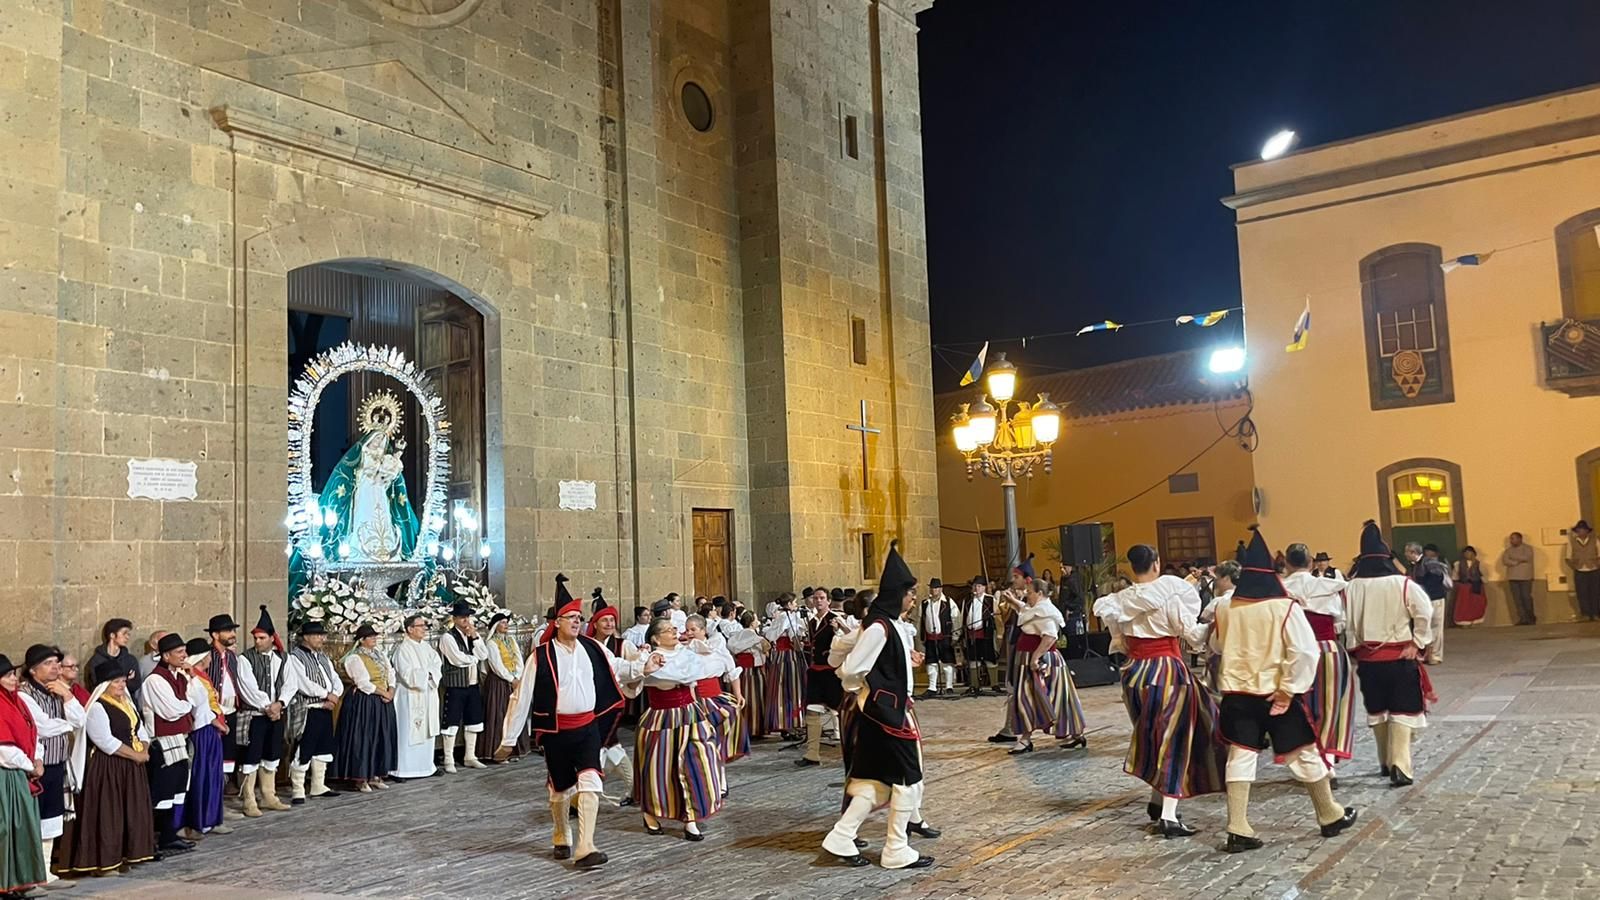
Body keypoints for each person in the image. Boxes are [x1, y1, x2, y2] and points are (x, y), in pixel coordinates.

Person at [1212, 528, 1357, 854]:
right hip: (1275, 694)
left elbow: (1217, 645)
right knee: (1302, 750)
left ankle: (1238, 826)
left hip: (1237, 694)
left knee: (1241, 755)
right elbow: (1306, 652)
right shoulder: (1284, 608)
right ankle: (1329, 813)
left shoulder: (1225, 608)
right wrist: (1290, 689)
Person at [498, 584, 657, 868]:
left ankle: (586, 846)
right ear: (556, 622)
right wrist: (509, 739)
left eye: (578, 617)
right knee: (561, 789)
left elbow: (618, 667)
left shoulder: (593, 648)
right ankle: (561, 833)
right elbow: (521, 696)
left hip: (587, 729)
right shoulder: (541, 655)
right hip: (556, 732)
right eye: (570, 617)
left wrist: (643, 666)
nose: (576, 621)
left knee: (591, 781)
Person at [1093, 544, 1226, 837]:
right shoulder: (1169, 592)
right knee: (1176, 738)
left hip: (1133, 674)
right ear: (1155, 563)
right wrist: (1213, 626)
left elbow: (1120, 641)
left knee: (1154, 736)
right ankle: (1168, 815)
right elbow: (1190, 635)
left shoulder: (1118, 600)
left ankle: (1157, 799)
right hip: (1165, 669)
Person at [822, 541, 935, 870]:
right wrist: (863, 689)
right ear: (897, 593)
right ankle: (897, 848)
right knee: (909, 779)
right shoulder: (879, 626)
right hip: (885, 713)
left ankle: (842, 835)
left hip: (886, 709)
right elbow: (852, 667)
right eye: (910, 592)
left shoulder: (890, 624)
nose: (914, 598)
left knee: (876, 780)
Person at [1346, 521, 1435, 787]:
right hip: (1400, 657)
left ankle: (1385, 761)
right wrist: (1418, 642)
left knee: (1377, 709)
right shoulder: (1403, 584)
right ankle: (1400, 765)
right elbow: (1424, 612)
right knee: (1403, 710)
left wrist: (1354, 645)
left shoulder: (1351, 587)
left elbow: (1343, 621)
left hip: (1368, 661)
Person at [56, 660, 158, 876]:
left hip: (131, 766)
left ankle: (126, 855)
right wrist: (136, 755)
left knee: (130, 812)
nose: (121, 686)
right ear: (104, 685)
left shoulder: (127, 704)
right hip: (109, 768)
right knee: (109, 814)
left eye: (122, 681)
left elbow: (140, 730)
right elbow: (105, 741)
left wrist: (144, 750)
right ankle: (104, 862)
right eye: (116, 682)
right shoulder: (97, 707)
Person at [633, 616, 725, 840]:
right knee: (659, 769)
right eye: (667, 630)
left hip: (690, 715)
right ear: (655, 638)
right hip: (661, 718)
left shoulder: (686, 653)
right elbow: (648, 677)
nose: (674, 631)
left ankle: (690, 817)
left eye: (674, 628)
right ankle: (650, 813)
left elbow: (696, 676)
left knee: (696, 763)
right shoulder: (648, 658)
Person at [1281, 543, 1356, 781]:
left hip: (1292, 653)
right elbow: (1340, 622)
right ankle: (1328, 760)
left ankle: (1307, 761)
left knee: (1298, 707)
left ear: (1287, 564)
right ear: (1311, 563)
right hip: (1328, 650)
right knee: (1332, 706)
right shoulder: (1329, 587)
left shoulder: (1279, 589)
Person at [18, 645, 83, 890]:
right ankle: (30, 874)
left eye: (57, 663)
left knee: (53, 818)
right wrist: (66, 723)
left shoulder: (59, 691)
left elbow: (80, 719)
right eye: (48, 663)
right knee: (35, 819)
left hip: (58, 764)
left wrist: (67, 697)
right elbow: (43, 727)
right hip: (36, 766)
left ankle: (46, 871)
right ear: (33, 670)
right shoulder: (25, 694)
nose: (55, 667)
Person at [1003, 577, 1087, 755]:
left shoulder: (1046, 611)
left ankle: (1026, 739)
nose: (1027, 595)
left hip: (1042, 663)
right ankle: (1075, 733)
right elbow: (1026, 611)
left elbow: (1050, 637)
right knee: (1049, 698)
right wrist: (1012, 601)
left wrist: (1035, 658)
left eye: (1030, 592)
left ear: (1040, 593)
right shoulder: (1036, 607)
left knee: (1029, 698)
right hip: (1030, 660)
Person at [141, 633, 197, 853]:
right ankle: (152, 838)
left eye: (185, 651)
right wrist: (188, 703)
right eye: (179, 652)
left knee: (177, 789)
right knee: (163, 791)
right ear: (165, 656)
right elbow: (171, 711)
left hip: (181, 739)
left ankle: (169, 834)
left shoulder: (181, 676)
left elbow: (197, 700)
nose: (184, 656)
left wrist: (191, 684)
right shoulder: (155, 680)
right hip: (163, 742)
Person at [236, 606, 294, 815]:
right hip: (255, 716)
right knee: (251, 756)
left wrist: (280, 703)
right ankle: (249, 799)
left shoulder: (284, 658)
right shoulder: (245, 659)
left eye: (262, 638)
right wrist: (267, 706)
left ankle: (268, 794)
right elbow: (247, 687)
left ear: (271, 638)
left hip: (276, 714)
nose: (257, 642)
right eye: (256, 638)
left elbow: (290, 683)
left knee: (272, 753)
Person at [4, 653, 52, 895]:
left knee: (22, 829)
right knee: (6, 829)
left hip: (22, 772)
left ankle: (21, 880)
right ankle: (7, 883)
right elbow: (3, 747)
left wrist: (38, 759)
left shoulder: (17, 701)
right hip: (6, 775)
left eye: (14, 673)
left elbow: (34, 733)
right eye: (9, 675)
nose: (14, 679)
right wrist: (29, 764)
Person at [331, 624, 397, 793]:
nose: (374, 639)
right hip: (365, 702)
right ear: (362, 640)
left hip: (382, 700)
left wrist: (391, 690)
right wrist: (383, 692)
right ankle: (361, 778)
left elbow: (391, 673)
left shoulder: (379, 654)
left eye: (375, 636)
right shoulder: (355, 658)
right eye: (371, 636)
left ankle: (376, 773)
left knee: (381, 736)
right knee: (364, 737)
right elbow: (363, 683)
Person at [588, 604, 644, 804]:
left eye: (612, 620)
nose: (609, 624)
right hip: (591, 703)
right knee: (611, 745)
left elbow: (633, 671)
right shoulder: (587, 645)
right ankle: (635, 790)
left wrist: (644, 661)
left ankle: (584, 797)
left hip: (612, 704)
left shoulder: (623, 645)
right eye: (605, 620)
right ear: (595, 624)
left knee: (600, 746)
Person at [285, 621, 343, 804]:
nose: (322, 639)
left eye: (322, 635)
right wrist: (326, 695)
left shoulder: (323, 657)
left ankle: (318, 785)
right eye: (318, 635)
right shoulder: (295, 657)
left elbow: (335, 678)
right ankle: (298, 789)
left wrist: (335, 694)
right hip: (308, 709)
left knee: (323, 747)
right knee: (305, 748)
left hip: (325, 709)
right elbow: (303, 684)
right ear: (306, 637)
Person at [178, 637, 230, 840]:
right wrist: (217, 722)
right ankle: (200, 820)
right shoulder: (194, 678)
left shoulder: (202, 676)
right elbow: (199, 708)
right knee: (203, 776)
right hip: (202, 731)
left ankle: (212, 818)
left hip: (210, 729)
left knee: (213, 776)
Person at [438, 599, 491, 773]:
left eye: (467, 617)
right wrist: (474, 658)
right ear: (454, 619)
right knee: (451, 722)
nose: (465, 621)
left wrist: (475, 637)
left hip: (472, 684)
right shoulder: (448, 637)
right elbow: (457, 659)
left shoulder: (472, 635)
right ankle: (448, 759)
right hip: (456, 686)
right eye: (461, 618)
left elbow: (484, 654)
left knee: (473, 720)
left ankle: (470, 756)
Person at [391, 613, 443, 780]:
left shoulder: (426, 647)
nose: (424, 629)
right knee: (407, 732)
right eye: (420, 626)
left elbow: (437, 664)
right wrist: (427, 675)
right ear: (410, 629)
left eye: (424, 625)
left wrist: (430, 675)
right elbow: (406, 674)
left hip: (427, 694)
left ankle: (427, 766)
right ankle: (402, 769)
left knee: (427, 730)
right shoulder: (402, 649)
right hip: (409, 696)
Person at [796, 593, 843, 768]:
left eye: (822, 598)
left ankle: (851, 750)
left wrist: (839, 628)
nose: (818, 601)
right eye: (816, 598)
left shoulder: (835, 618)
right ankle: (812, 754)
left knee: (840, 710)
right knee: (812, 711)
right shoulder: (811, 621)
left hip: (831, 672)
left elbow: (851, 635)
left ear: (829, 601)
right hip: (815, 672)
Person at [478, 612, 530, 762]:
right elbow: (496, 665)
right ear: (495, 626)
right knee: (499, 714)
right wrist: (510, 678)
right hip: (499, 683)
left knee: (514, 713)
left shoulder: (511, 640)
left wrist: (518, 677)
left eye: (507, 622)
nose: (506, 625)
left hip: (514, 680)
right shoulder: (492, 643)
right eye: (502, 622)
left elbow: (518, 658)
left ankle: (514, 751)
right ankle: (498, 752)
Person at [202, 613, 245, 789]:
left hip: (231, 708)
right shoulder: (207, 656)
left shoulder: (232, 656)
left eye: (232, 630)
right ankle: (214, 787)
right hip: (214, 710)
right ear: (215, 634)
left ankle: (226, 783)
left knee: (229, 749)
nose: (232, 634)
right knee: (214, 751)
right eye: (227, 631)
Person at [762, 592, 807, 738]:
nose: (796, 605)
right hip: (786, 656)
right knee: (786, 690)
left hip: (791, 655)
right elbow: (772, 635)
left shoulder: (792, 617)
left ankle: (794, 722)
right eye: (794, 603)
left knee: (793, 690)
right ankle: (786, 724)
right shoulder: (784, 617)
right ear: (788, 604)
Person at [725, 611, 770, 742]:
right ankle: (755, 727)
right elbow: (766, 651)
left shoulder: (736, 636)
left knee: (742, 696)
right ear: (752, 622)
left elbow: (732, 649)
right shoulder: (757, 637)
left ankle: (742, 727)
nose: (758, 622)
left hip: (740, 672)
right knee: (755, 698)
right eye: (756, 620)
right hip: (754, 671)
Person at [1404, 542, 1451, 665]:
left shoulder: (1429, 563)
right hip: (1424, 599)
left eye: (1407, 552)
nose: (1405, 554)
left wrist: (1421, 589)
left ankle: (1435, 656)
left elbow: (1437, 578)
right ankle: (1427, 654)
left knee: (1436, 626)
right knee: (1425, 626)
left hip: (1435, 598)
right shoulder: (1414, 565)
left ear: (1413, 552)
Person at [918, 578, 960, 698]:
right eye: (932, 588)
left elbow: (956, 619)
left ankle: (949, 686)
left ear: (941, 589)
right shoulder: (925, 603)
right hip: (930, 637)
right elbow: (921, 620)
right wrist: (922, 637)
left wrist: (955, 635)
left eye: (936, 588)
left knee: (947, 662)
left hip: (945, 636)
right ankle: (932, 687)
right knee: (931, 662)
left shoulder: (948, 602)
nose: (934, 590)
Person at [86, 618, 142, 705]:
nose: (127, 637)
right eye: (124, 633)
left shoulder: (130, 659)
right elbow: (97, 686)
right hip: (106, 704)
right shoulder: (97, 661)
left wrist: (116, 682)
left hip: (128, 703)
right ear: (112, 635)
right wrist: (126, 680)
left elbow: (136, 683)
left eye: (128, 634)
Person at [963, 575, 998, 696]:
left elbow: (996, 617)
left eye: (979, 586)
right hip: (972, 634)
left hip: (985, 633)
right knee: (973, 660)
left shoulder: (990, 600)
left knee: (989, 658)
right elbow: (964, 616)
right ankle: (975, 685)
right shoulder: (967, 601)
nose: (976, 588)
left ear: (984, 588)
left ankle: (994, 684)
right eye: (974, 586)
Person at [1500, 532, 1537, 625]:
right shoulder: (1508, 550)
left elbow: (1526, 557)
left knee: (1526, 597)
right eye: (1511, 539)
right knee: (1517, 599)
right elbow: (1505, 560)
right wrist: (1515, 562)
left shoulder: (1527, 548)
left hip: (1525, 577)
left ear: (1520, 539)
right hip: (1512, 577)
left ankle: (1530, 617)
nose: (1511, 541)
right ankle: (1523, 618)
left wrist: (1513, 558)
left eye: (1513, 538)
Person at [1568, 520, 1600, 621]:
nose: (1581, 532)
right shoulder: (1571, 542)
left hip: (1593, 569)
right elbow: (1568, 557)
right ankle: (1585, 614)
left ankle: (1595, 613)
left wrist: (1598, 564)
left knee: (1595, 592)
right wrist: (1574, 567)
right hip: (1580, 570)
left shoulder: (1595, 540)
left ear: (1587, 531)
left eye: (1583, 530)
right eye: (1579, 530)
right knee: (1582, 593)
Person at [1451, 546, 1487, 626]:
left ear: (1474, 554)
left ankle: (1475, 620)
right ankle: (1464, 621)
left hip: (1476, 586)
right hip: (1464, 588)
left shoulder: (1479, 564)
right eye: (1466, 553)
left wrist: (1481, 582)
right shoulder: (1459, 564)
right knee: (1464, 605)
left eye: (1469, 552)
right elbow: (1455, 576)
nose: (1467, 554)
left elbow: (1484, 576)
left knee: (1475, 604)